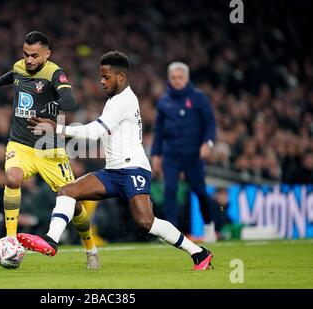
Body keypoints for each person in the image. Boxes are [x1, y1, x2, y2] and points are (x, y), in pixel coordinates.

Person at [18, 51, 213, 270]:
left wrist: (57, 128)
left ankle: (199, 252)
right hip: (112, 172)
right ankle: (51, 240)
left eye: (106, 77)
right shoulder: (115, 101)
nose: (102, 81)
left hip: (133, 170)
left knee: (145, 222)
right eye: (101, 76)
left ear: (121, 77)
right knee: (67, 191)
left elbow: (94, 132)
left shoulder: (124, 100)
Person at [0, 31, 99, 268]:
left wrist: (50, 107)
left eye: (34, 55)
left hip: (48, 148)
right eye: (26, 54)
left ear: (47, 54)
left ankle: (90, 248)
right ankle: (10, 238)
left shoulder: (55, 73)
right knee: (12, 178)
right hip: (20, 144)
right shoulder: (20, 68)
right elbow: (11, 76)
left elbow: (70, 102)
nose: (29, 60)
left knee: (73, 203)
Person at [150, 62, 217, 243]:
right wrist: (156, 155)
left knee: (199, 190)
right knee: (169, 189)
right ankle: (171, 233)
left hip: (193, 153)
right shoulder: (164, 101)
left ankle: (209, 225)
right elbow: (158, 130)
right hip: (171, 153)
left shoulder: (198, 98)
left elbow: (210, 123)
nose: (177, 81)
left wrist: (208, 143)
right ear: (169, 79)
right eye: (173, 78)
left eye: (180, 78)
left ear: (186, 78)